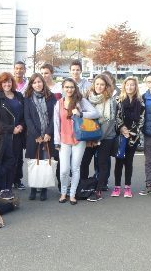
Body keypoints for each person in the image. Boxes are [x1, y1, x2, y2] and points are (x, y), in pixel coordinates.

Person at [54, 78, 99, 205]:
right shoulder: (59, 103)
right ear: (63, 88)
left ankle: (72, 194)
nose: (69, 89)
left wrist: (81, 113)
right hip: (64, 140)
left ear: (75, 88)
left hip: (79, 139)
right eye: (67, 87)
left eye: (72, 87)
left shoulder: (81, 101)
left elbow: (96, 113)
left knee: (75, 168)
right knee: (64, 170)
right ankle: (63, 193)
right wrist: (56, 141)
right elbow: (56, 123)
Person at [81, 74, 118, 202]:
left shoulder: (111, 101)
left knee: (102, 163)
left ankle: (98, 189)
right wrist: (90, 138)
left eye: (102, 84)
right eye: (97, 84)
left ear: (106, 86)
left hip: (106, 137)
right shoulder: (87, 99)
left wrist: (97, 139)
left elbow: (109, 123)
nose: (99, 87)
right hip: (89, 136)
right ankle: (83, 186)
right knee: (84, 162)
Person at [0, 72, 26, 199]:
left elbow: (24, 115)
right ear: (0, 83)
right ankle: (2, 187)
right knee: (4, 162)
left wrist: (21, 126)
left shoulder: (18, 95)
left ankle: (9, 187)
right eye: (4, 82)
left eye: (9, 81)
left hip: (18, 135)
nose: (7, 84)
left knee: (14, 161)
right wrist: (11, 129)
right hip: (3, 136)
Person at [24, 73, 57, 201]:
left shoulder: (51, 97)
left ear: (43, 82)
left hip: (48, 136)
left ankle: (43, 189)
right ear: (31, 85)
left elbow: (55, 117)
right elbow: (28, 118)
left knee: (45, 162)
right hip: (34, 136)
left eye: (39, 82)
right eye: (34, 82)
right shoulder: (27, 98)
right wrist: (37, 135)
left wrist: (48, 133)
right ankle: (33, 188)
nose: (37, 84)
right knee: (34, 163)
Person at [112, 76, 145, 198]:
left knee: (129, 162)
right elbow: (117, 116)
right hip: (121, 136)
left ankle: (127, 187)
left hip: (133, 137)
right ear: (124, 86)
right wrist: (122, 128)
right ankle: (116, 187)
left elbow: (142, 120)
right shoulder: (118, 100)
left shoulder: (140, 102)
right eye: (127, 84)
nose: (130, 87)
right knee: (118, 161)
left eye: (132, 85)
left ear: (136, 87)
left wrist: (132, 132)